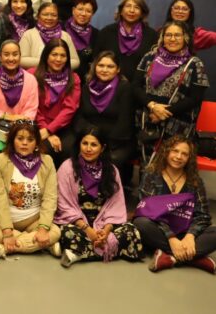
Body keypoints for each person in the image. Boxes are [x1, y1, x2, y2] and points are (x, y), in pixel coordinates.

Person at [53, 127, 142, 268]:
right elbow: (63, 204)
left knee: (132, 232)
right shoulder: (67, 168)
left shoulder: (112, 170)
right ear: (79, 145)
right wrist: (88, 230)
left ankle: (79, 253)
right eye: (85, 143)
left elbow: (115, 205)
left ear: (102, 148)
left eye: (94, 145)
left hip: (103, 224)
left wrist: (105, 231)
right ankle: (104, 250)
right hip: (77, 224)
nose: (88, 149)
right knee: (67, 234)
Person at [134, 136, 216, 273]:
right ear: (166, 152)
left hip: (185, 233)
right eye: (175, 151)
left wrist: (190, 236)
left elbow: (203, 216)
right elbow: (148, 212)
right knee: (140, 223)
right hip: (159, 231)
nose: (179, 157)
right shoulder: (151, 176)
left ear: (189, 158)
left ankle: (169, 257)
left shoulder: (195, 181)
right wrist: (171, 237)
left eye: (184, 154)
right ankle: (195, 258)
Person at [0, 120, 61, 261]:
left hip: (34, 220)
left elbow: (50, 197)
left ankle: (2, 249)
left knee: (55, 231)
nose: (25, 143)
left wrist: (43, 229)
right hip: (5, 222)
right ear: (12, 140)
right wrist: (7, 232)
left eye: (30, 139)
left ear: (37, 143)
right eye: (20, 138)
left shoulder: (47, 161)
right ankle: (43, 245)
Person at [133, 21, 209, 152]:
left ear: (185, 38)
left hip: (178, 127)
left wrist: (164, 112)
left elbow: (195, 98)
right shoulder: (149, 57)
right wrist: (153, 106)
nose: (172, 39)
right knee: (146, 167)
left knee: (173, 166)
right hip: (148, 122)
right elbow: (135, 86)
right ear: (162, 38)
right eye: (168, 35)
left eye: (177, 35)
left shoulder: (195, 64)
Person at [74, 51, 136, 186]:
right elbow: (79, 117)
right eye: (101, 65)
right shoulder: (86, 88)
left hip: (117, 141)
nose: (104, 70)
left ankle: (108, 195)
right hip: (90, 136)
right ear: (95, 67)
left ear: (118, 69)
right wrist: (90, 134)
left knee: (110, 160)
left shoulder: (125, 88)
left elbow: (125, 123)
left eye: (110, 66)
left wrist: (102, 146)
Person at [31, 39, 81, 164]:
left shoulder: (73, 78)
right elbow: (33, 106)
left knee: (68, 149)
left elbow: (69, 109)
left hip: (63, 127)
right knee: (44, 149)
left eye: (63, 55)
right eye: (54, 54)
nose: (58, 59)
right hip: (38, 125)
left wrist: (50, 131)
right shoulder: (32, 74)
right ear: (46, 55)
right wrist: (46, 131)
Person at [93, 0, 158, 80]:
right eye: (128, 6)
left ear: (142, 13)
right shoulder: (106, 32)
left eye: (136, 7)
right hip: (108, 84)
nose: (131, 10)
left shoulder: (151, 35)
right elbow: (96, 60)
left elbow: (153, 65)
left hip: (138, 87)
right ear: (121, 11)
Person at [0, 40, 39, 126]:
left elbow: (31, 110)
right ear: (0, 57)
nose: (11, 59)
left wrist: (18, 124)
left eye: (15, 54)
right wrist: (7, 117)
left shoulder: (31, 80)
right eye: (6, 54)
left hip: (22, 129)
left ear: (20, 56)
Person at [0, 0, 35, 72]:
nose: (19, 5)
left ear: (28, 4)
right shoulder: (0, 21)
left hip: (26, 71)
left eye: (23, 1)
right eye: (15, 1)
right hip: (1, 70)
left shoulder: (32, 23)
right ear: (10, 3)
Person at [19, 2, 80, 70]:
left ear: (58, 17)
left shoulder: (65, 36)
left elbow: (76, 61)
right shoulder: (29, 34)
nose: (49, 18)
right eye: (45, 14)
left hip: (62, 78)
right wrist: (47, 62)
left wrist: (58, 64)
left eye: (53, 15)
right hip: (35, 77)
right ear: (38, 16)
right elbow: (21, 60)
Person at [65, 0, 100, 78]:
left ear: (92, 14)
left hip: (84, 82)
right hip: (58, 79)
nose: (83, 14)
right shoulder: (61, 29)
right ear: (73, 10)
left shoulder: (97, 34)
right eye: (80, 9)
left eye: (88, 11)